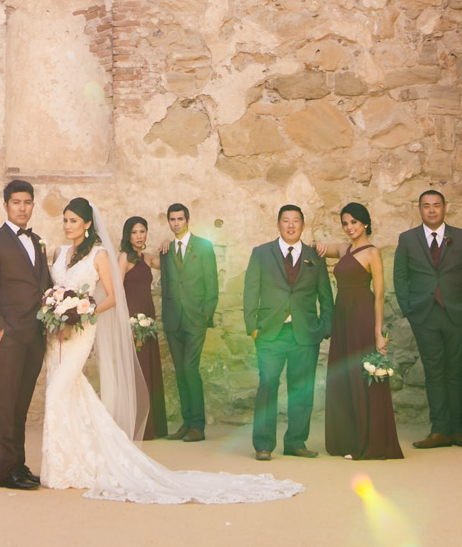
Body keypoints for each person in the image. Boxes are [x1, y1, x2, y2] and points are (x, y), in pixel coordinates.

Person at [40, 198, 300, 503]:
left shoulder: (102, 255)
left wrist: (83, 312)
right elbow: (53, 289)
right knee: (67, 390)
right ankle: (67, 461)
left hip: (83, 328)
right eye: (65, 221)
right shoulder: (59, 253)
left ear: (86, 223)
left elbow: (113, 294)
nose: (68, 226)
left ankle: (186, 428)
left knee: (59, 391)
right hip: (56, 333)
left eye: (73, 220)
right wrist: (55, 310)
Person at [242, 205, 334, 462]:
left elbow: (325, 295)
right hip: (271, 333)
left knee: (301, 390)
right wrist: (253, 328)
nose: (291, 225)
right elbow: (250, 291)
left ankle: (295, 441)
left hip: (305, 334)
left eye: (296, 221)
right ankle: (263, 444)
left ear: (303, 226)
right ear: (279, 224)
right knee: (268, 385)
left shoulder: (315, 255)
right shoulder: (261, 253)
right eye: (286, 221)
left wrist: (325, 327)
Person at [392, 189, 462, 448]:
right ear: (419, 209)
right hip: (424, 314)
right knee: (433, 372)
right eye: (426, 206)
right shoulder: (407, 239)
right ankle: (439, 429)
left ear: (444, 208)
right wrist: (410, 310)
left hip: (456, 313)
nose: (431, 210)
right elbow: (401, 277)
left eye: (436, 205)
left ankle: (457, 430)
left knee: (454, 372)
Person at [0, 179, 49, 490]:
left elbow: (42, 285)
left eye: (27, 202)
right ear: (5, 205)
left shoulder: (38, 241)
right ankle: (5, 472)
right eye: (16, 202)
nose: (23, 207)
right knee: (6, 403)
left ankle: (19, 464)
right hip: (9, 334)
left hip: (35, 333)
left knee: (21, 403)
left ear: (33, 205)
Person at [324, 203, 403, 461]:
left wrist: (378, 332)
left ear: (365, 223)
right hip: (342, 315)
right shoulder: (345, 248)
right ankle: (348, 438)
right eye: (345, 223)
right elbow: (323, 248)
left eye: (354, 223)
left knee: (362, 374)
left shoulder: (373, 253)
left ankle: (371, 443)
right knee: (344, 374)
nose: (349, 228)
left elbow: (379, 294)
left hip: (361, 315)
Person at [158, 201, 217, 442]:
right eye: (172, 219)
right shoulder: (166, 249)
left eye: (180, 219)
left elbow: (212, 282)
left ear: (187, 220)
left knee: (191, 369)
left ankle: (198, 426)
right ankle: (186, 422)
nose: (176, 223)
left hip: (195, 319)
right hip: (174, 320)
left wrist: (205, 314)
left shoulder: (203, 246)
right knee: (181, 372)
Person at [118, 217, 167, 440]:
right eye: (135, 232)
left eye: (142, 231)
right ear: (128, 235)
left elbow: (171, 263)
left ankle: (152, 426)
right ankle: (136, 425)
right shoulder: (124, 258)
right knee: (135, 371)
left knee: (148, 368)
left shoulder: (147, 258)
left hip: (148, 318)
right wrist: (124, 323)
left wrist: (169, 244)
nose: (139, 236)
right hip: (131, 320)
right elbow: (117, 292)